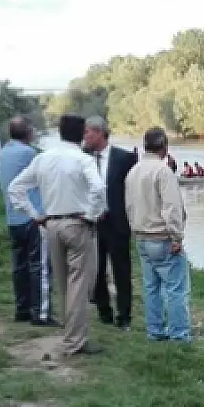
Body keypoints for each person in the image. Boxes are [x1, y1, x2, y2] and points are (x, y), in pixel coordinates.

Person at [8, 114, 106, 356]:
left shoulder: (43, 158)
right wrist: (92, 214)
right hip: (77, 223)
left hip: (51, 224)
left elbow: (15, 188)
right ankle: (75, 340)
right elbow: (99, 188)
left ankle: (69, 332)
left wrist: (34, 214)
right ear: (82, 133)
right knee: (80, 284)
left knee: (63, 283)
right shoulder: (83, 160)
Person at [125, 127, 191, 343]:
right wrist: (176, 237)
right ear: (164, 147)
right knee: (176, 289)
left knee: (151, 288)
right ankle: (179, 335)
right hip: (162, 237)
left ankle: (155, 331)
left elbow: (128, 206)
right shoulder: (163, 172)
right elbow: (171, 208)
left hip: (141, 236)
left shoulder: (133, 171)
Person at [0, 116, 58, 326]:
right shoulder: (29, 153)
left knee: (19, 265)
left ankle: (21, 308)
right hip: (32, 217)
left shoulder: (4, 151)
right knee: (39, 266)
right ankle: (40, 313)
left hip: (12, 217)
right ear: (27, 132)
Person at [82, 116, 139, 330]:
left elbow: (133, 191)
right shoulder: (82, 158)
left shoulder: (124, 158)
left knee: (121, 270)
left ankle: (124, 316)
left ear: (99, 133)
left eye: (87, 132)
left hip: (117, 222)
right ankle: (103, 312)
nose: (85, 137)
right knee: (95, 269)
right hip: (91, 222)